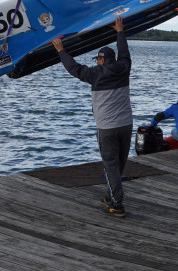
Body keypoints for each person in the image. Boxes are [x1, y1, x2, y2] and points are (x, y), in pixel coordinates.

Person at [52, 16, 132, 217]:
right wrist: (120, 32)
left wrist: (61, 50)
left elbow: (74, 68)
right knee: (119, 163)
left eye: (98, 59)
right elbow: (124, 53)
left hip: (106, 128)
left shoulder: (95, 74)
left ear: (102, 60)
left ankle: (117, 204)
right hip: (126, 125)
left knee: (110, 165)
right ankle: (110, 194)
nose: (97, 62)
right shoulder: (124, 68)